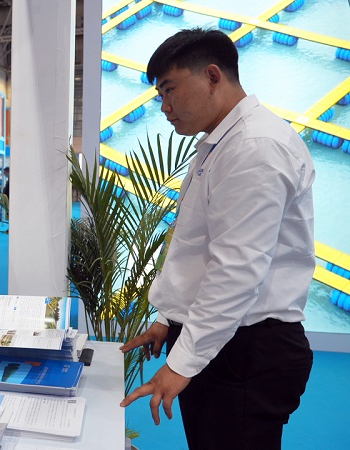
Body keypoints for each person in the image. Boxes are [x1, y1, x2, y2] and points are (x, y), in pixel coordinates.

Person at [120, 28, 314, 449]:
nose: (164, 106)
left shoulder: (255, 147)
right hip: (223, 339)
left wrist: (182, 362)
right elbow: (199, 249)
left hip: (245, 349)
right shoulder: (219, 143)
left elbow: (236, 273)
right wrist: (169, 319)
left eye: (170, 90)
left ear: (212, 76)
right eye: (159, 95)